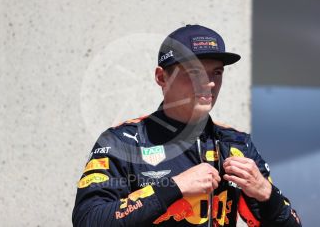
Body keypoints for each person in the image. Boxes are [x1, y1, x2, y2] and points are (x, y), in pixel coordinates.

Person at [72, 24, 302, 226]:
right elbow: (88, 220)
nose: (210, 82)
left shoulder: (237, 143)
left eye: (217, 72)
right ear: (162, 77)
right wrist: (173, 188)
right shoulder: (121, 142)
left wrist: (266, 194)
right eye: (194, 72)